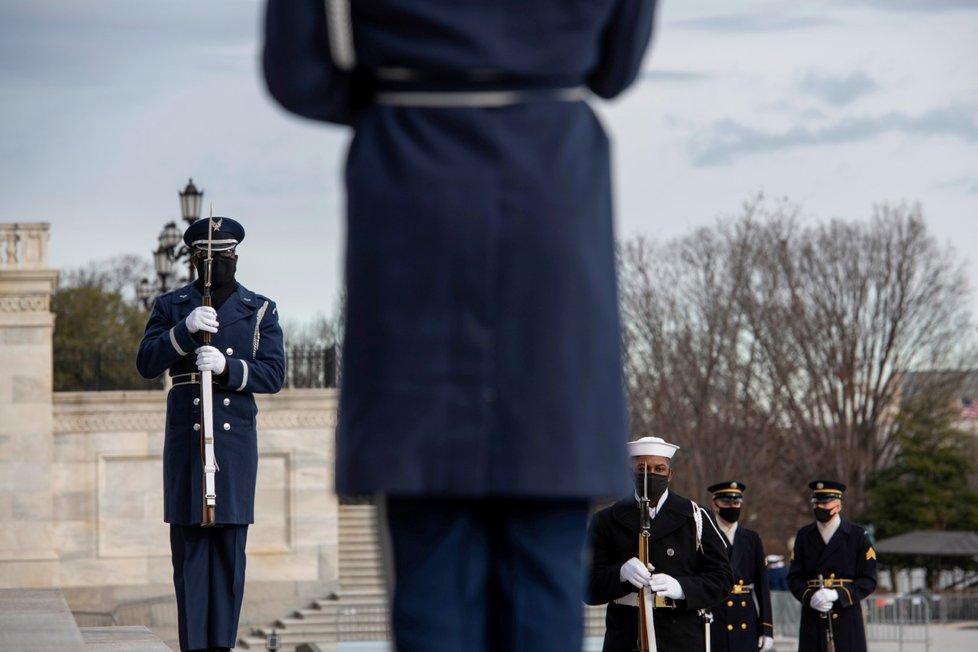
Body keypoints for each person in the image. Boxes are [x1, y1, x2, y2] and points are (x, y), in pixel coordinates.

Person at [262, 2, 658, 652]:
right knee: (544, 543)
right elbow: (616, 66)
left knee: (431, 544)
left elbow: (298, 70)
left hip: (413, 176)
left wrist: (408, 91)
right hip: (549, 174)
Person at [136, 217, 286, 652]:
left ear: (234, 257)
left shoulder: (259, 309)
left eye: (220, 256)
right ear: (193, 258)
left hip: (233, 450)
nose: (213, 264)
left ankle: (221, 646)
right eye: (204, 256)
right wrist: (181, 335)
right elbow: (146, 362)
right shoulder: (172, 305)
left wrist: (228, 367)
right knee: (190, 559)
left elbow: (274, 374)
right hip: (188, 448)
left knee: (227, 559)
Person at [586, 436, 734, 652]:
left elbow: (722, 580)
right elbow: (588, 587)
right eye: (642, 468)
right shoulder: (607, 520)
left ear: (670, 474)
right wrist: (619, 574)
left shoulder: (695, 517)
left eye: (659, 469)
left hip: (680, 637)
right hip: (625, 637)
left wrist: (682, 588)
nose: (650, 475)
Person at [787, 481, 878, 652]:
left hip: (846, 617)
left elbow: (868, 579)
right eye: (816, 503)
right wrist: (810, 597)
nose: (819, 507)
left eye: (824, 502)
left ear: (838, 505)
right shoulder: (804, 535)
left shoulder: (857, 536)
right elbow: (794, 577)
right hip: (813, 617)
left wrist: (838, 593)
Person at [707, 481, 774, 652]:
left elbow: (762, 585)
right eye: (727, 502)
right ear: (715, 505)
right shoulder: (706, 535)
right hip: (715, 613)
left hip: (745, 615)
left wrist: (766, 628)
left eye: (736, 503)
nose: (732, 506)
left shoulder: (752, 539)